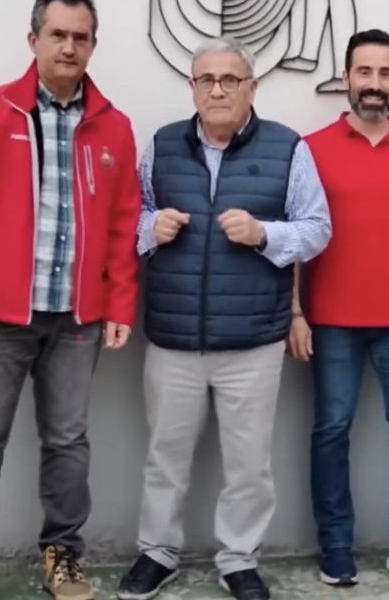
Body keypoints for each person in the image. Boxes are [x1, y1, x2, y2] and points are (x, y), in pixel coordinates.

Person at [0, 0, 141, 600]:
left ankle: (63, 559)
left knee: (68, 443)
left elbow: (123, 224)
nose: (69, 47)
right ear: (34, 40)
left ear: (93, 45)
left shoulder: (114, 127)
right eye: (58, 35)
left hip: (78, 319)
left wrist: (119, 304)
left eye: (81, 37)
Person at [115, 36, 332, 600]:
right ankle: (157, 553)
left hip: (253, 340)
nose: (217, 90)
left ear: (251, 88)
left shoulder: (288, 148)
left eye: (230, 80)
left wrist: (264, 235)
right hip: (173, 338)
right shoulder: (161, 145)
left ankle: (238, 559)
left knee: (249, 464)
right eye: (206, 80)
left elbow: (317, 228)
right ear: (192, 87)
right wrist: (150, 228)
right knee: (164, 457)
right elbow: (128, 216)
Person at [289, 29, 389, 591]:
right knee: (331, 432)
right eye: (365, 72)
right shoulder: (310, 149)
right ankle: (336, 546)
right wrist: (295, 312)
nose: (375, 84)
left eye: (385, 73)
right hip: (331, 322)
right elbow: (295, 237)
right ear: (347, 78)